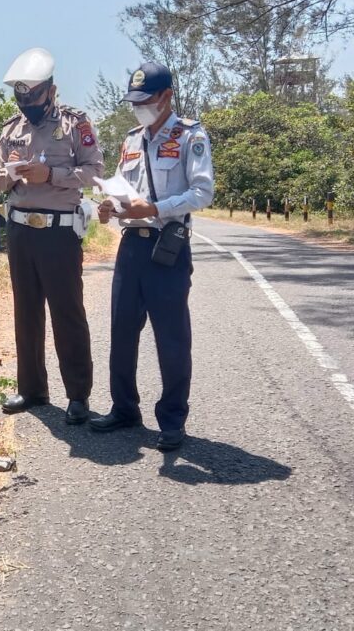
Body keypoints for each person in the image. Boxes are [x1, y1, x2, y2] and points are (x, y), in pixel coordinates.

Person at [90, 62, 214, 451]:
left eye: (146, 101)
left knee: (172, 338)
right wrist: (109, 205)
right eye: (134, 102)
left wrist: (156, 208)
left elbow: (202, 192)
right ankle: (124, 408)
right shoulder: (130, 140)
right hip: (131, 248)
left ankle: (173, 419)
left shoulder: (189, 135)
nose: (139, 108)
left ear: (166, 97)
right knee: (122, 333)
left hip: (168, 248)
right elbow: (122, 186)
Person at [0, 47, 104, 425]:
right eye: (20, 98)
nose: (27, 104)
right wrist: (8, 174)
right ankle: (33, 389)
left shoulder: (76, 125)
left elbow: (94, 171)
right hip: (21, 230)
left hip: (59, 233)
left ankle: (77, 395)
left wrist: (52, 176)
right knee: (26, 311)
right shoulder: (11, 128)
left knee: (67, 312)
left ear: (51, 91)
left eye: (33, 97)